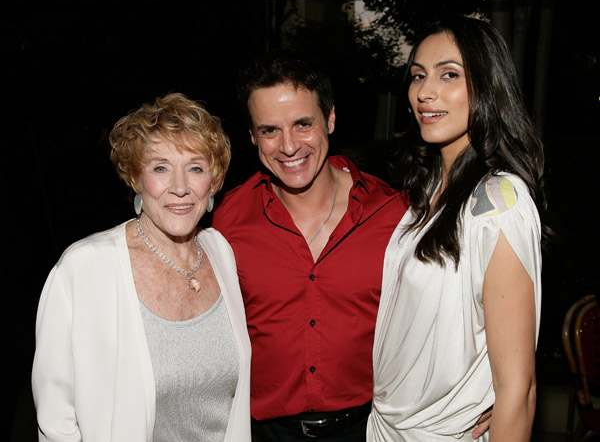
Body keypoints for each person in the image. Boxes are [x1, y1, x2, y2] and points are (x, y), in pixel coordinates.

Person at [213, 49, 489, 441]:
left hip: (369, 429)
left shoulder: (396, 213)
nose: (288, 146)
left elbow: (459, 303)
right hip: (263, 433)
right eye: (270, 130)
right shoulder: (227, 219)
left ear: (330, 119)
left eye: (303, 124)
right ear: (253, 135)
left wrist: (487, 388)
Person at [32, 93, 251, 442]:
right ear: (136, 177)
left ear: (213, 181)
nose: (180, 187)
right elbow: (56, 420)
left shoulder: (219, 251)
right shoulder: (84, 269)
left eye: (195, 168)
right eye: (160, 168)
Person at [368, 16, 548, 441]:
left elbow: (518, 390)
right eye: (418, 76)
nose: (424, 92)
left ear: (488, 86)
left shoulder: (498, 203)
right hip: (389, 427)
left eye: (449, 74)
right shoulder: (430, 190)